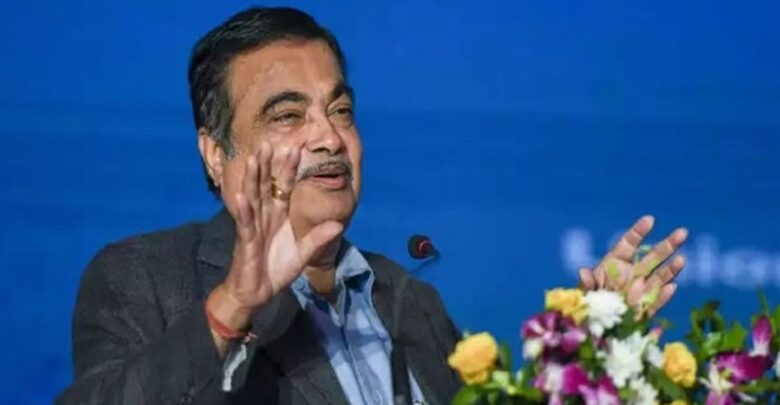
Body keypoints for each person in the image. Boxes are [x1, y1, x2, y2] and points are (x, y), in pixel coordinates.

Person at [56, 6, 689, 405]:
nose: (329, 137)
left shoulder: (408, 300)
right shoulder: (145, 277)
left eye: (341, 110)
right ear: (217, 155)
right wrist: (232, 307)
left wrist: (588, 347)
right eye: (288, 115)